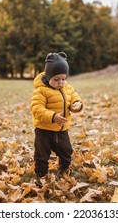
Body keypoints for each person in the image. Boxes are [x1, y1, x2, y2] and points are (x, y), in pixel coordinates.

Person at [30, 52, 83, 181]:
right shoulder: (41, 91)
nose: (61, 82)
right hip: (44, 130)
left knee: (66, 151)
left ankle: (64, 169)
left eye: (64, 79)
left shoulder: (68, 88)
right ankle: (41, 174)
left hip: (61, 130)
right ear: (48, 77)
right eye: (56, 79)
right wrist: (53, 116)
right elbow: (37, 109)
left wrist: (77, 105)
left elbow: (74, 98)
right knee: (42, 154)